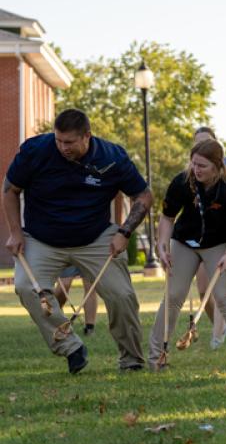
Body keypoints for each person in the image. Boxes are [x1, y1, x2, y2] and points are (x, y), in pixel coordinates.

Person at [2, 108, 152, 374]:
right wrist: (15, 232)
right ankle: (70, 346)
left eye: (69, 142)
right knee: (26, 287)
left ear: (87, 137)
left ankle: (132, 361)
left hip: (95, 237)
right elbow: (10, 190)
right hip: (42, 238)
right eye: (58, 140)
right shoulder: (35, 150)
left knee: (122, 295)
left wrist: (124, 232)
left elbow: (143, 196)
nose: (62, 147)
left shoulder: (111, 157)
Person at [148, 139, 226, 370]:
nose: (196, 169)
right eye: (193, 164)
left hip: (218, 244)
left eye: (202, 165)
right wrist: (162, 245)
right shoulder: (181, 183)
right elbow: (168, 217)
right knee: (174, 295)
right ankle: (156, 358)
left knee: (224, 296)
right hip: (184, 242)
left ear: (217, 166)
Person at [192, 127, 226, 349]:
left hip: (223, 236)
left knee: (219, 287)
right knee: (203, 290)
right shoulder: (192, 169)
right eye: (198, 143)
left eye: (206, 142)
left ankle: (217, 334)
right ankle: (221, 324)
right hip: (199, 237)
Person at [54, 266, 98, 336]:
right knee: (64, 284)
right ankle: (55, 318)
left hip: (86, 256)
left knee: (90, 287)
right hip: (67, 255)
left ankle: (89, 328)